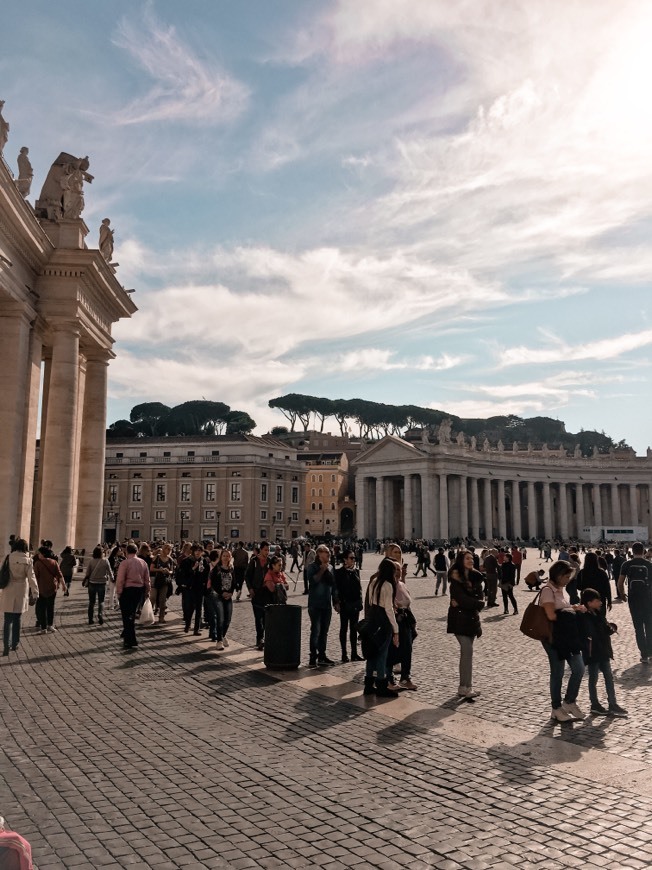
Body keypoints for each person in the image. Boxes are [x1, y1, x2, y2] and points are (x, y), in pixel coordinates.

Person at [540, 560, 586, 722]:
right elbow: (552, 615)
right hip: (553, 638)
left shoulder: (561, 590)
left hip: (568, 636)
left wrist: (575, 608)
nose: (568, 579)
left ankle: (569, 702)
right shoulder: (547, 590)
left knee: (579, 668)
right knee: (558, 673)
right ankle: (556, 708)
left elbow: (563, 608)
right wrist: (569, 610)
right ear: (558, 575)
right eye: (566, 576)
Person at [578, 588, 628, 717]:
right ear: (589, 603)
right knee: (593, 678)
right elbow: (592, 633)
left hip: (603, 650)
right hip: (593, 652)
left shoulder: (597, 614)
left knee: (608, 677)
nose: (600, 602)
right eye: (597, 600)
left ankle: (612, 703)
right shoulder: (585, 617)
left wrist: (610, 628)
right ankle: (595, 704)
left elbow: (603, 630)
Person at [447, 550, 485, 699]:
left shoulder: (476, 578)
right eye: (467, 558)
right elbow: (462, 599)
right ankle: (465, 687)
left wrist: (472, 603)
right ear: (461, 560)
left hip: (472, 620)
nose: (471, 560)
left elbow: (477, 599)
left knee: (467, 654)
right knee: (467, 652)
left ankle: (464, 687)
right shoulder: (455, 579)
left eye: (472, 558)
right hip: (459, 620)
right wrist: (476, 603)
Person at [362, 557, 399, 698]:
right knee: (382, 654)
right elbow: (389, 609)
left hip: (372, 617)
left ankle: (368, 685)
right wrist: (396, 629)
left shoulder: (374, 582)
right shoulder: (388, 585)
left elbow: (371, 601)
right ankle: (381, 684)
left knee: (371, 653)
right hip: (383, 620)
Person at [1, 539, 39, 657]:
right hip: (21, 589)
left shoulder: (8, 557)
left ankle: (6, 645)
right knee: (17, 618)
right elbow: (31, 577)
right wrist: (35, 592)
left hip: (9, 589)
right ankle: (15, 643)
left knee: (7, 620)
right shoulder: (28, 560)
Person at [617, 542, 652, 664]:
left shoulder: (627, 564)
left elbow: (620, 582)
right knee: (649, 626)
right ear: (643, 551)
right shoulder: (649, 564)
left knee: (638, 628)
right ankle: (651, 652)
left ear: (632, 551)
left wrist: (622, 595)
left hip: (634, 599)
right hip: (648, 599)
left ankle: (644, 655)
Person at [306, 544, 339, 667]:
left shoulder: (331, 567)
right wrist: (322, 569)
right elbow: (313, 581)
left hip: (326, 604)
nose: (329, 554)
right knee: (316, 630)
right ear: (319, 554)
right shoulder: (312, 567)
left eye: (329, 552)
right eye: (326, 552)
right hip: (315, 604)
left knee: (324, 631)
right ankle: (312, 656)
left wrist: (336, 601)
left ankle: (322, 656)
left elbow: (334, 586)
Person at [115, 543, 151, 650]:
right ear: (136, 551)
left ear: (126, 551)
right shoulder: (143, 562)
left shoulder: (125, 563)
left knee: (126, 616)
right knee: (132, 614)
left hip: (127, 590)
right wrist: (147, 591)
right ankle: (129, 636)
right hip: (139, 590)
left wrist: (119, 592)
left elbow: (120, 579)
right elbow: (147, 579)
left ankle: (129, 640)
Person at [390, 562, 418, 690]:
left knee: (408, 649)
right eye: (395, 569)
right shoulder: (387, 585)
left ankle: (405, 677)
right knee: (394, 650)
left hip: (405, 619)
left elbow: (408, 602)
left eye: (399, 569)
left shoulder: (401, 584)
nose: (398, 571)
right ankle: (389, 678)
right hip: (394, 620)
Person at [334, 549, 363, 662]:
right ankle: (344, 654)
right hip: (345, 604)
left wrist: (360, 602)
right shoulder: (339, 572)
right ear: (345, 560)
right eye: (351, 558)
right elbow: (336, 589)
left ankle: (354, 653)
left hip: (355, 604)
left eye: (354, 558)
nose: (354, 560)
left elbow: (359, 588)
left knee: (354, 629)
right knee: (344, 629)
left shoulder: (356, 571)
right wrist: (336, 602)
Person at [177, 544, 209, 635]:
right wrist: (193, 569)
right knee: (189, 608)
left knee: (199, 609)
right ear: (193, 551)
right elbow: (183, 574)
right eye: (196, 550)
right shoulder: (186, 561)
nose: (198, 552)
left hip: (199, 587)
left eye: (200, 551)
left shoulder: (204, 561)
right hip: (189, 587)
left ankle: (196, 629)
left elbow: (206, 575)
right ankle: (187, 625)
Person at [245, 541, 272, 649]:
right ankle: (259, 638)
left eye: (268, 550)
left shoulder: (270, 561)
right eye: (265, 550)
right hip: (256, 592)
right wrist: (250, 589)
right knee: (258, 617)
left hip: (268, 593)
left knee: (267, 617)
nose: (267, 552)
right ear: (260, 549)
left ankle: (265, 638)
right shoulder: (254, 561)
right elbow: (247, 576)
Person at [208, 548, 235, 649]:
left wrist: (231, 592)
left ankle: (223, 635)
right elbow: (214, 583)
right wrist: (222, 592)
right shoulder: (217, 568)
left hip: (228, 596)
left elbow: (234, 581)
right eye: (224, 556)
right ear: (221, 557)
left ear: (230, 557)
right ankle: (219, 641)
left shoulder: (231, 568)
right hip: (218, 596)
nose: (226, 558)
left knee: (228, 619)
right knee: (221, 618)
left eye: (228, 556)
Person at [33, 546, 65, 633]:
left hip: (41, 589)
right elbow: (60, 574)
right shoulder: (54, 562)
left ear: (42, 554)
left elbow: (35, 577)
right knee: (51, 607)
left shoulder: (38, 563)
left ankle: (43, 627)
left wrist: (32, 588)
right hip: (52, 588)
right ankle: (50, 625)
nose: (38, 555)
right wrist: (64, 585)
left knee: (42, 608)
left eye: (39, 553)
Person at [83, 545, 113, 625]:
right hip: (102, 583)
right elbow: (110, 572)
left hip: (92, 583)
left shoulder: (91, 561)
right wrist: (112, 578)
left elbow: (88, 572)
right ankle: (100, 614)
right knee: (101, 601)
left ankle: (90, 619)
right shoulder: (105, 561)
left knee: (91, 602)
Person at [149, 543, 175, 624]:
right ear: (164, 549)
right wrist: (160, 570)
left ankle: (161, 617)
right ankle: (150, 617)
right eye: (168, 549)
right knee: (153, 598)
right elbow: (151, 568)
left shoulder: (170, 559)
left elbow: (172, 571)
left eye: (170, 549)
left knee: (162, 600)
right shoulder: (157, 557)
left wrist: (168, 572)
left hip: (165, 581)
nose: (169, 551)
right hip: (155, 580)